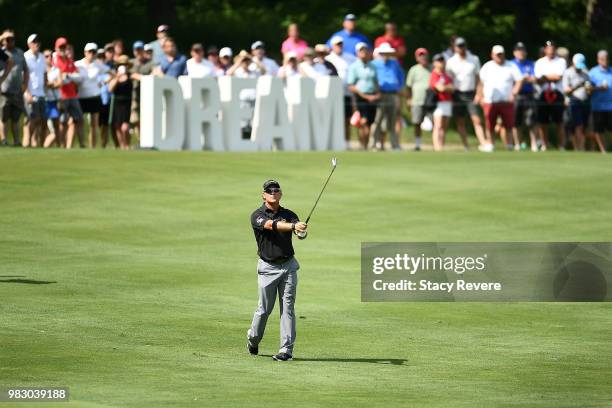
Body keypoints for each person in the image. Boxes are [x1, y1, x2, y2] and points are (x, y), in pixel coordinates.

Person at [247, 179, 307, 362]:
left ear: (280, 194)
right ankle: (253, 338)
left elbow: (300, 232)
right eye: (269, 190)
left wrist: (301, 231)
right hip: (267, 268)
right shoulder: (257, 215)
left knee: (287, 308)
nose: (273, 192)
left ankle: (286, 350)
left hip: (288, 266)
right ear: (263, 195)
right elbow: (270, 225)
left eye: (276, 190)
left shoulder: (289, 214)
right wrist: (293, 227)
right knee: (264, 309)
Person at [478, 45, 523, 151]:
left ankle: (509, 144)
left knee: (508, 124)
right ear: (492, 55)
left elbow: (519, 80)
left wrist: (514, 93)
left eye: (501, 54)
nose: (499, 56)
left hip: (507, 101)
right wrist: (480, 96)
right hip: (490, 101)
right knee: (490, 124)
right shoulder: (487, 66)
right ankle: (490, 144)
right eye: (497, 54)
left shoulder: (511, 66)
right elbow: (480, 83)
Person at [446, 37, 487, 150]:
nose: (461, 48)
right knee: (460, 121)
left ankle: (483, 143)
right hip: (457, 94)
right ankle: (465, 145)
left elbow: (478, 79)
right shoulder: (450, 62)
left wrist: (479, 94)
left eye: (462, 45)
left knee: (476, 119)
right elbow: (448, 79)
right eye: (459, 46)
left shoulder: (474, 59)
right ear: (455, 47)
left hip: (471, 93)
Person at [370, 42, 404, 150]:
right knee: (378, 120)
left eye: (387, 53)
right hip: (380, 94)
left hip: (393, 94)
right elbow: (372, 78)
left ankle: (394, 144)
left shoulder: (394, 63)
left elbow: (401, 76)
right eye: (383, 53)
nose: (385, 55)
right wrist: (376, 89)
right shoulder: (375, 64)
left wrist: (399, 87)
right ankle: (374, 144)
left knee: (393, 120)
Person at [534, 41, 567, 150]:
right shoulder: (540, 62)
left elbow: (558, 77)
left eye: (552, 48)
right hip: (543, 94)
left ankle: (561, 145)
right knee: (543, 122)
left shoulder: (561, 61)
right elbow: (538, 79)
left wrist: (545, 77)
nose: (551, 51)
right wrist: (549, 77)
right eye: (549, 48)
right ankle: (544, 144)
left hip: (557, 93)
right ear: (545, 49)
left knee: (559, 122)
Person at [53, 37, 84, 149]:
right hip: (61, 96)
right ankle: (62, 146)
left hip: (72, 95)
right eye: (61, 47)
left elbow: (77, 76)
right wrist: (66, 77)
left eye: (64, 47)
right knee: (62, 122)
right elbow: (57, 78)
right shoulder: (55, 60)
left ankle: (81, 145)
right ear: (56, 48)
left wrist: (69, 76)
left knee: (79, 120)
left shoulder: (69, 61)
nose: (63, 49)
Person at [348, 42, 379, 150]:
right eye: (361, 51)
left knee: (370, 122)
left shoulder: (373, 66)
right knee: (363, 121)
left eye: (365, 50)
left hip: (372, 97)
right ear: (357, 53)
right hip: (360, 97)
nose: (364, 53)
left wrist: (377, 94)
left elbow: (376, 82)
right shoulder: (354, 67)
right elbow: (351, 85)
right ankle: (362, 144)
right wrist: (364, 96)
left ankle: (365, 145)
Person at [325, 36, 356, 144]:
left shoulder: (350, 58)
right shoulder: (328, 59)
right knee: (334, 119)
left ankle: (347, 142)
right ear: (332, 46)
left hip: (347, 93)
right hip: (332, 94)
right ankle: (334, 141)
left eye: (341, 44)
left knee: (347, 119)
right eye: (337, 44)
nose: (339, 46)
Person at [76, 42, 108, 148]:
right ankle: (81, 144)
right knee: (79, 122)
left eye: (94, 52)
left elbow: (112, 74)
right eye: (90, 51)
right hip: (81, 96)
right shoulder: (78, 64)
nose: (92, 54)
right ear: (85, 52)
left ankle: (92, 147)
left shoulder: (98, 64)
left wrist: (103, 83)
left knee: (94, 124)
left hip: (95, 96)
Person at [0, 30, 28, 147]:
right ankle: (4, 140)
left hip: (17, 90)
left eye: (11, 39)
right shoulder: (1, 52)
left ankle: (17, 141)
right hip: (4, 90)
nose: (9, 41)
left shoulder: (19, 53)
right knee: (3, 118)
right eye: (7, 39)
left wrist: (25, 84)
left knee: (16, 118)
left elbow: (26, 69)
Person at [511, 42, 538, 151]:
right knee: (516, 121)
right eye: (518, 50)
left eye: (522, 50)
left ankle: (534, 144)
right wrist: (523, 79)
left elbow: (534, 78)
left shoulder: (530, 64)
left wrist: (523, 79)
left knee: (532, 121)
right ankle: (517, 144)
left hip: (529, 94)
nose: (521, 52)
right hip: (516, 95)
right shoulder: (511, 64)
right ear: (514, 52)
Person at [562, 53, 591, 151]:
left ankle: (580, 147)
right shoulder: (568, 73)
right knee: (578, 126)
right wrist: (578, 86)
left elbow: (588, 89)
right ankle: (579, 148)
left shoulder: (585, 73)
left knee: (584, 126)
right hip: (574, 101)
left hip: (585, 101)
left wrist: (589, 89)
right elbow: (566, 90)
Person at [23, 34, 46, 148]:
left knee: (40, 120)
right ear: (29, 44)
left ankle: (35, 143)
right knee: (32, 119)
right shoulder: (25, 57)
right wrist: (26, 92)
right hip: (30, 93)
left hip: (41, 93)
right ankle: (26, 142)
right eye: (34, 42)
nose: (36, 43)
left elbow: (44, 75)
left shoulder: (42, 57)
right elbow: (23, 77)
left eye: (38, 41)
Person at [406, 48, 431, 151]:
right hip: (417, 100)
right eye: (420, 55)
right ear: (417, 58)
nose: (423, 57)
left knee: (435, 123)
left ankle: (436, 144)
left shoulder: (432, 68)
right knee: (417, 123)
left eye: (424, 55)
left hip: (430, 101)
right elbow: (408, 86)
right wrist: (409, 99)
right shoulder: (413, 69)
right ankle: (418, 144)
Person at [588, 50, 611, 153]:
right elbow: (587, 89)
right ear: (598, 60)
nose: (604, 61)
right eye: (602, 59)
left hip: (611, 106)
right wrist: (598, 88)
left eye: (606, 58)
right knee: (598, 130)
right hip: (598, 106)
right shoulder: (592, 72)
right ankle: (603, 149)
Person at [130, 41, 154, 142]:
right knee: (135, 120)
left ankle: (145, 140)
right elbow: (131, 75)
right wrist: (144, 78)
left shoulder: (150, 63)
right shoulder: (130, 63)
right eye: (136, 50)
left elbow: (155, 72)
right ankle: (140, 140)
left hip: (148, 96)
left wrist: (141, 77)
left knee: (147, 119)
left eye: (140, 49)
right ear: (134, 51)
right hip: (134, 95)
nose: (138, 52)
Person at [429, 53, 453, 151]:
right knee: (438, 125)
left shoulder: (446, 75)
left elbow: (452, 88)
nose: (441, 63)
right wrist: (446, 88)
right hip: (438, 103)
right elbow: (440, 88)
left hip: (447, 102)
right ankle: (436, 146)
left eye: (442, 61)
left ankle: (441, 145)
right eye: (439, 61)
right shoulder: (434, 74)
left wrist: (446, 88)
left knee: (444, 127)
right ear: (434, 63)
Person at [109, 55, 132, 150]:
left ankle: (127, 145)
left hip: (127, 103)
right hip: (117, 103)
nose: (123, 66)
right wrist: (117, 77)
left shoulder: (130, 75)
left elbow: (141, 78)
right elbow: (110, 89)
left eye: (125, 64)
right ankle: (122, 146)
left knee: (125, 127)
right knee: (117, 126)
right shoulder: (115, 76)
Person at [43, 49, 62, 147]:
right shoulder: (41, 69)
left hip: (54, 101)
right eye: (46, 56)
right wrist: (51, 84)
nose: (49, 58)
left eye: (50, 56)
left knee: (56, 127)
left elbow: (59, 83)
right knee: (44, 127)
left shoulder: (56, 69)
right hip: (44, 101)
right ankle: (43, 146)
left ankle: (58, 146)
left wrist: (50, 84)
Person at [98, 46, 115, 148]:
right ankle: (100, 143)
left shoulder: (108, 69)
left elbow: (113, 76)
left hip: (107, 100)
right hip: (97, 100)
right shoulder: (94, 70)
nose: (101, 59)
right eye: (99, 57)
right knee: (98, 124)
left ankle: (104, 143)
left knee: (106, 124)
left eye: (102, 57)